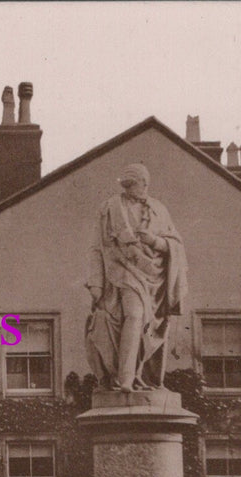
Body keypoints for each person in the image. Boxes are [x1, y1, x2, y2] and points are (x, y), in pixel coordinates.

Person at [85, 163, 188, 391]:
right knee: (134, 315)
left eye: (143, 184)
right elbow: (96, 247)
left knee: (145, 324)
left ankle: (139, 375)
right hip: (122, 271)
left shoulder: (159, 209)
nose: (142, 188)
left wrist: (154, 241)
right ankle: (125, 379)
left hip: (155, 280)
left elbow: (175, 244)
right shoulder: (110, 208)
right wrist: (95, 283)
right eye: (137, 184)